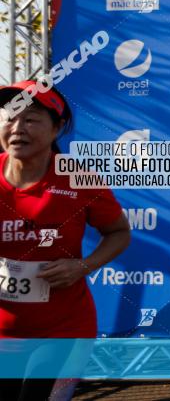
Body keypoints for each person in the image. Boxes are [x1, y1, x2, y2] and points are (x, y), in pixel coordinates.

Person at [0, 81, 131, 401]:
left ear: (57, 128)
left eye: (31, 119)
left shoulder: (79, 178)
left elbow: (119, 232)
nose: (18, 127)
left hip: (62, 330)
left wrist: (81, 266)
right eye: (9, 117)